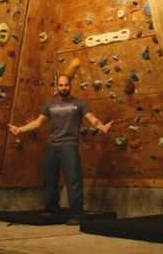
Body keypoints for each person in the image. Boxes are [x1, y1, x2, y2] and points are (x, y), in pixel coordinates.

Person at [8, 74, 113, 225]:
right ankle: (52, 210)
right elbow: (38, 123)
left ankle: (77, 215)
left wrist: (102, 127)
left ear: (70, 86)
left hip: (69, 146)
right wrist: (19, 129)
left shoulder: (79, 103)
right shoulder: (50, 104)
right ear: (57, 87)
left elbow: (91, 118)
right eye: (61, 85)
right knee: (50, 179)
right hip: (52, 146)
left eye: (66, 85)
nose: (63, 88)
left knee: (73, 180)